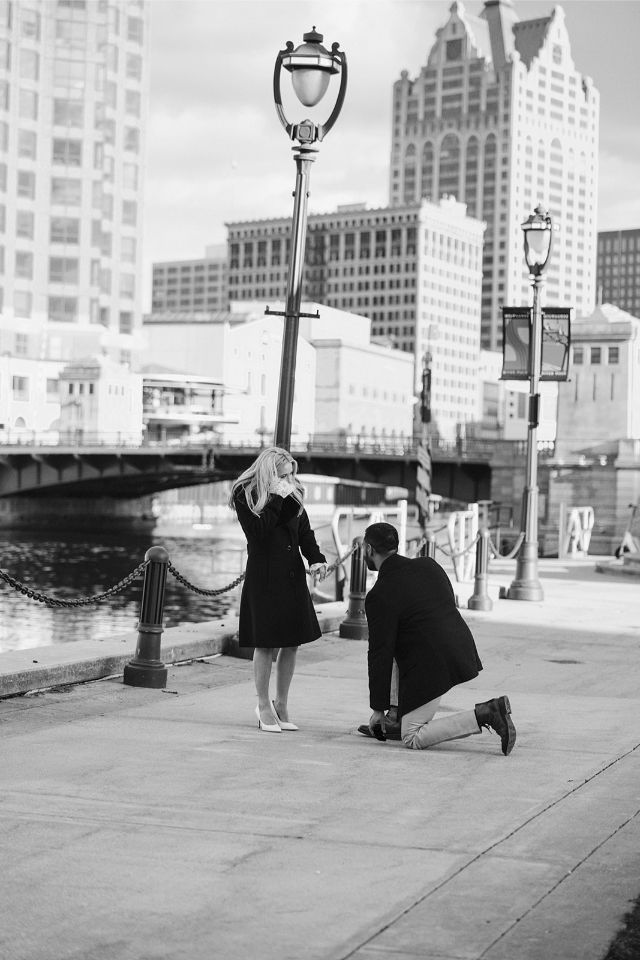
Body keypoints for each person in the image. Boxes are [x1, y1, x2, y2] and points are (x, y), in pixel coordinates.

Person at [357, 522, 516, 755]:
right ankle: (398, 716)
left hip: (432, 665)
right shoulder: (428, 565)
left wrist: (377, 710)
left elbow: (380, 653)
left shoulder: (379, 595)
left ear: (369, 549)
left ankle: (487, 714)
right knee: (397, 639)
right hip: (460, 647)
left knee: (412, 736)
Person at [230, 447, 327, 733]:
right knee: (266, 643)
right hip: (265, 576)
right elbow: (258, 532)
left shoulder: (291, 494)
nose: (288, 480)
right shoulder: (246, 494)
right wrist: (275, 496)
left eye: (291, 475)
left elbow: (304, 532)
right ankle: (263, 705)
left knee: (292, 642)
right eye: (283, 475)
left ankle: (281, 704)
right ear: (269, 472)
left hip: (292, 575)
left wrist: (316, 559)